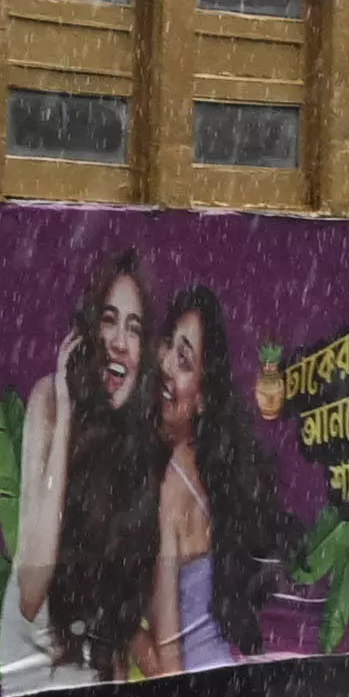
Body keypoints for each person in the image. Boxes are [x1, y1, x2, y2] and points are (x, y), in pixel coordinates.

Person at [15, 253, 162, 686]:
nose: (119, 342)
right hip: (30, 668)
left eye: (134, 329)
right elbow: (30, 593)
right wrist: (65, 413)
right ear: (88, 333)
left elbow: (119, 615)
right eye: (109, 321)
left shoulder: (136, 446)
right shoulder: (48, 400)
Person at [137, 288, 295, 676]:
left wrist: (117, 626)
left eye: (185, 360)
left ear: (203, 397)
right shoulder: (205, 471)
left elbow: (168, 667)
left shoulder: (171, 488)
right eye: (168, 345)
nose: (166, 365)